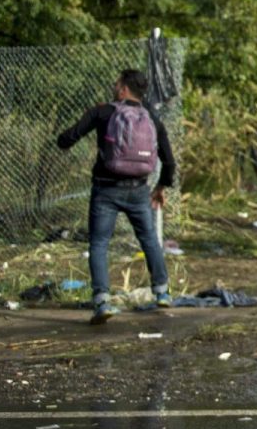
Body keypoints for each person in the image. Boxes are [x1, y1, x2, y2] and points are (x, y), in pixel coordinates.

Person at [56, 68, 175, 325]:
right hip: (139, 190)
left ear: (123, 89)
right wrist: (161, 187)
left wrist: (64, 138)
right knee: (149, 240)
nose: (114, 86)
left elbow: (68, 138)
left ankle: (102, 301)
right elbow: (169, 160)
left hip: (106, 189)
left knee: (99, 243)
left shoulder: (103, 112)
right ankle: (162, 293)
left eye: (116, 83)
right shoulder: (151, 118)